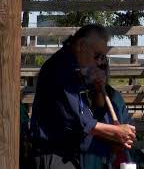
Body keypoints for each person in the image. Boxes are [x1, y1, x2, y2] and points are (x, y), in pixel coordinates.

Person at [30, 24, 136, 169]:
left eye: (103, 57)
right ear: (81, 45)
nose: (99, 62)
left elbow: (91, 115)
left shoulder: (75, 70)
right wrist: (116, 132)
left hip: (67, 155)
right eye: (97, 55)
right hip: (54, 155)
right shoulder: (61, 69)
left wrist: (99, 90)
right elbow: (81, 121)